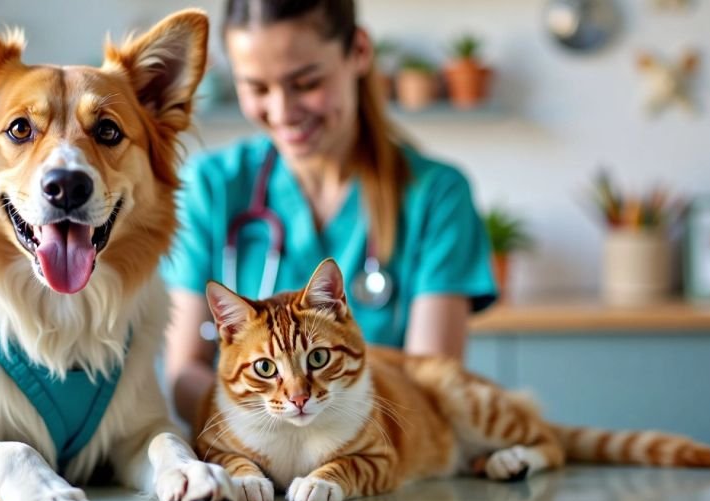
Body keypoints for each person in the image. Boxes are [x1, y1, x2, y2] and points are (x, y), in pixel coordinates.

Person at [162, 0, 497, 425]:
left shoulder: (436, 194)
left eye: (305, 83)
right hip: (252, 466)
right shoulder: (210, 186)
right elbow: (183, 376)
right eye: (257, 88)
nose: (282, 111)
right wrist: (264, 431)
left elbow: (426, 389)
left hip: (371, 463)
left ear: (358, 51)